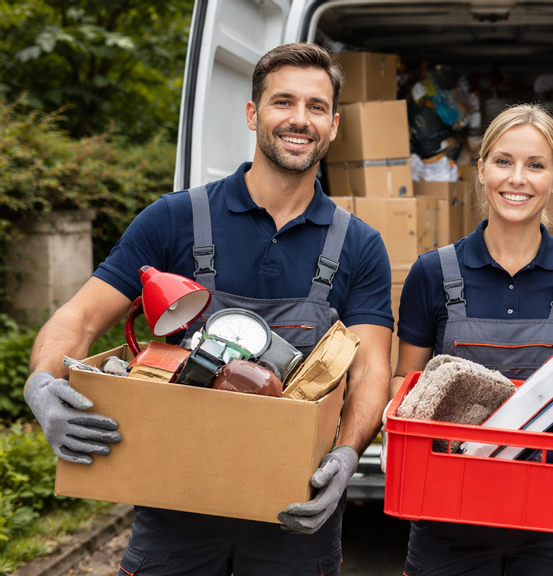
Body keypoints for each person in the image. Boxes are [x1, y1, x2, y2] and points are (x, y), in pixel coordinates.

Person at [23, 43, 393, 576]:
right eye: (282, 101)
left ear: (334, 126)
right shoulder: (175, 219)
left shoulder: (359, 246)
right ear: (252, 113)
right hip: (175, 517)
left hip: (294, 517)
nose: (299, 119)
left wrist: (349, 453)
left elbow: (371, 367)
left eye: (316, 107)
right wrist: (42, 384)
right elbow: (79, 317)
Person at [390, 103, 553, 576]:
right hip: (449, 524)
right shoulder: (432, 274)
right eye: (503, 161)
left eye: (536, 165)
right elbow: (404, 386)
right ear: (481, 169)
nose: (518, 178)